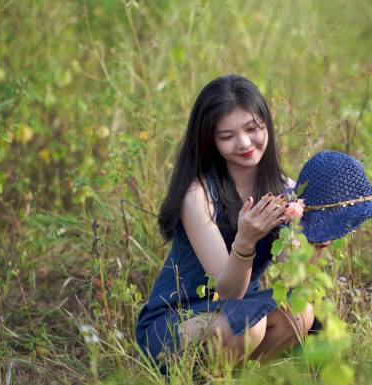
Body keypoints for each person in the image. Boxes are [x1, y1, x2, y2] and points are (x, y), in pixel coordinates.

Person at [135, 75, 315, 368]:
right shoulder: (198, 194)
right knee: (247, 324)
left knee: (300, 312)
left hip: (238, 313)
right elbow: (228, 292)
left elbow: (293, 269)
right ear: (210, 140)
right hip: (175, 321)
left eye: (252, 128)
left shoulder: (284, 190)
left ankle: (233, 376)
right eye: (227, 136)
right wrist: (244, 241)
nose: (244, 143)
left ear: (266, 124)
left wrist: (314, 246)